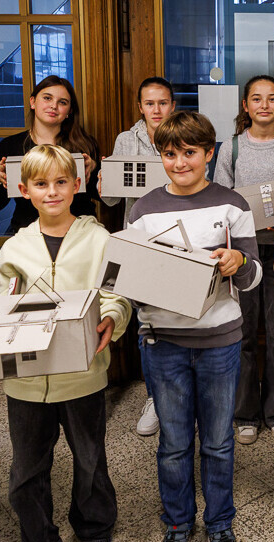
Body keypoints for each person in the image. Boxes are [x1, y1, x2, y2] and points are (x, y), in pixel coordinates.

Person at [0, 144, 131, 542]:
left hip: (82, 373)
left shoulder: (101, 240)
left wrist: (113, 316)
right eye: (41, 184)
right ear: (25, 190)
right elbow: (1, 307)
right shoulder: (14, 248)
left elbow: (115, 291)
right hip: (27, 381)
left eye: (60, 182)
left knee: (90, 458)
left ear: (76, 185)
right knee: (27, 468)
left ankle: (94, 531)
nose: (52, 192)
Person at [127, 110, 260, 542]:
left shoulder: (232, 204)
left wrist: (238, 259)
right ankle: (177, 524)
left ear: (209, 153)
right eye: (170, 153)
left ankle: (220, 523)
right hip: (163, 342)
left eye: (189, 152)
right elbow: (130, 278)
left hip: (219, 339)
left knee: (220, 442)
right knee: (174, 442)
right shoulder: (142, 210)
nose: (180, 162)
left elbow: (254, 274)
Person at [213, 75, 274, 445]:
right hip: (243, 253)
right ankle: (245, 414)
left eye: (272, 99)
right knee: (242, 333)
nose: (264, 105)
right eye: (257, 99)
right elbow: (221, 200)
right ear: (246, 106)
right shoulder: (232, 149)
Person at [103, 76, 177, 438]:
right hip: (138, 241)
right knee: (144, 324)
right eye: (150, 104)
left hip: (177, 240)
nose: (157, 110)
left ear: (172, 105)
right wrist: (105, 181)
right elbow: (112, 201)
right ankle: (153, 398)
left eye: (163, 102)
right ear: (140, 107)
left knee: (175, 317)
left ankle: (177, 398)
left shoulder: (182, 135)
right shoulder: (125, 140)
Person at [0, 75, 101, 236]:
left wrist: (95, 170)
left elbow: (104, 199)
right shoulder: (10, 146)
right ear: (33, 102)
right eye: (47, 98)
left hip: (79, 234)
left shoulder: (84, 145)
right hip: (28, 233)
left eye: (63, 102)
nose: (54, 106)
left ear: (69, 111)